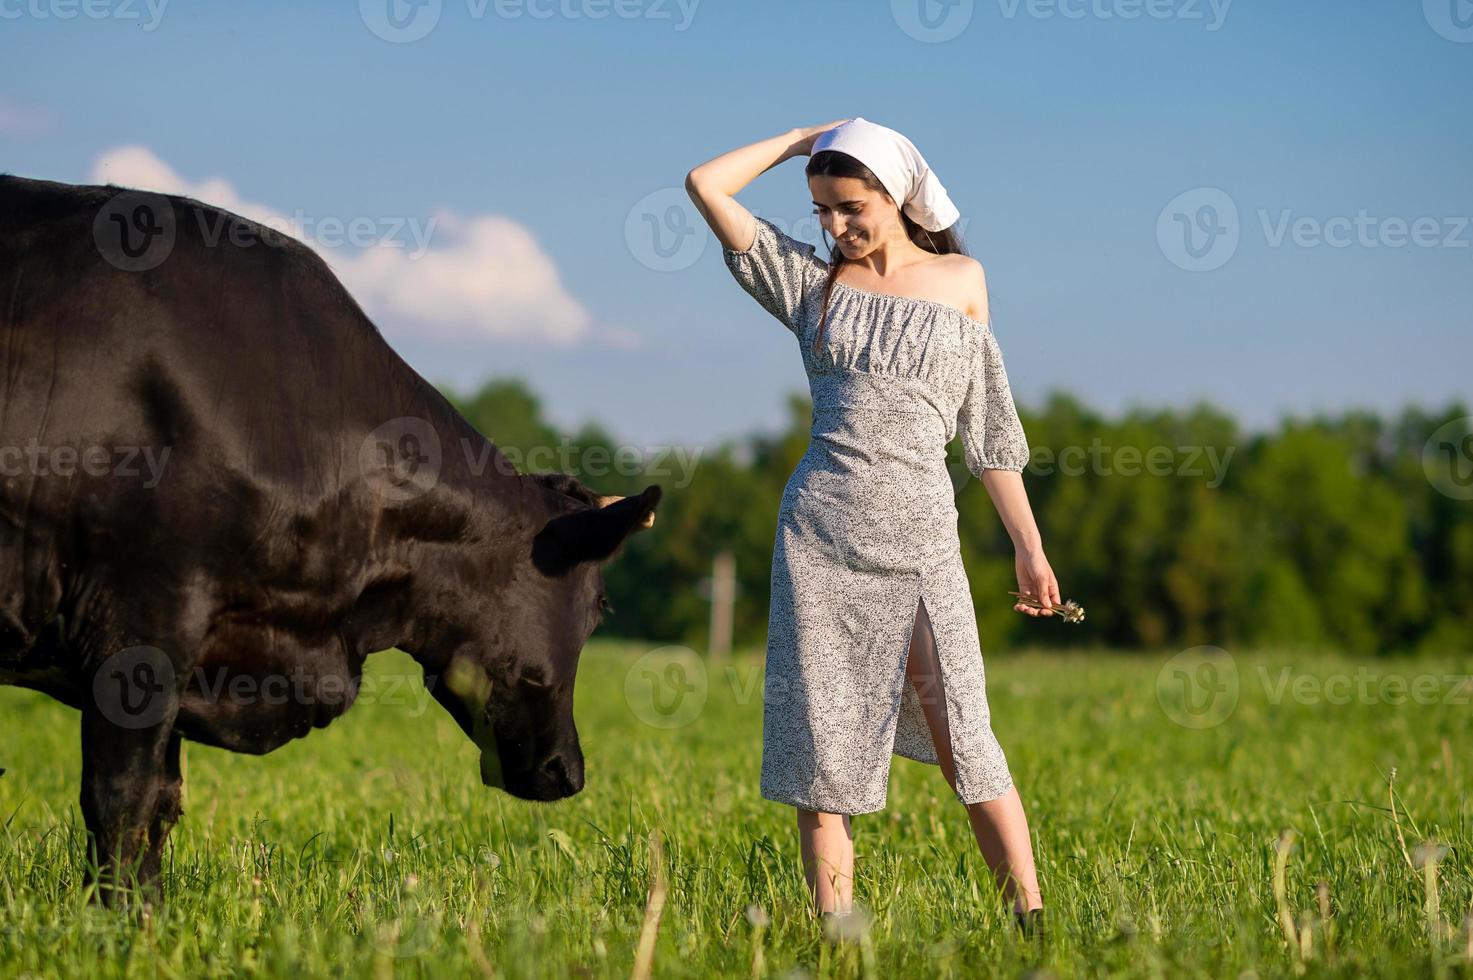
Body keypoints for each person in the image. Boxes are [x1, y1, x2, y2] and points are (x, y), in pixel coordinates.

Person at [684, 118, 1058, 940]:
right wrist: (798, 141)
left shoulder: (962, 278)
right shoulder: (807, 285)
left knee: (966, 732)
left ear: (897, 194)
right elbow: (705, 185)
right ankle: (837, 938)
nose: (836, 227)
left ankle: (1031, 925)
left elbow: (987, 432)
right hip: (818, 538)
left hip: (923, 542)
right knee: (822, 755)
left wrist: (1029, 549)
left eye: (850, 207)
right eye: (821, 211)